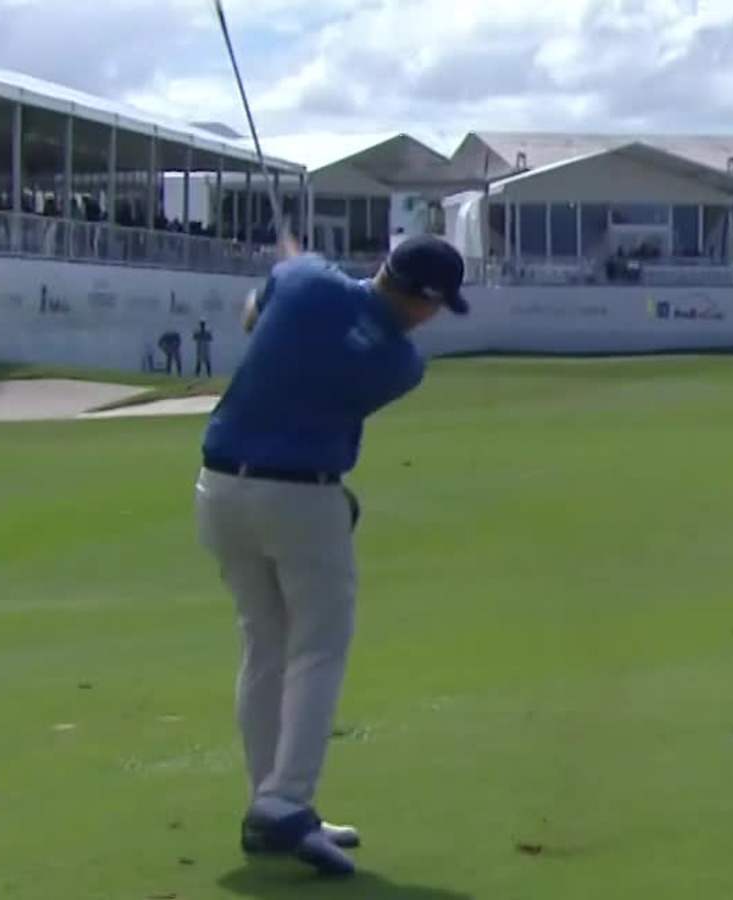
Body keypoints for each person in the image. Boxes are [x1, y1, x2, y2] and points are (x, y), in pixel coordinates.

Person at [195, 234, 468, 876]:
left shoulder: (309, 279)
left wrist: (294, 266)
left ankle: (270, 802)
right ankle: (286, 803)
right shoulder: (401, 365)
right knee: (317, 648)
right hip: (301, 498)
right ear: (427, 303)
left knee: (264, 643)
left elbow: (253, 316)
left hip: (217, 489)